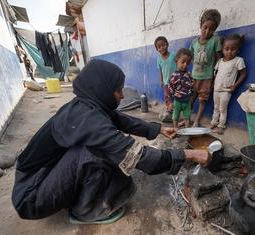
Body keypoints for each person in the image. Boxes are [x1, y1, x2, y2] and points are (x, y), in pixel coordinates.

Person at [11, 59, 211, 224]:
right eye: (118, 91)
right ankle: (84, 212)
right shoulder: (86, 118)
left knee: (99, 150)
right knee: (96, 152)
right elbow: (139, 157)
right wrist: (188, 154)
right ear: (102, 88)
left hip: (43, 176)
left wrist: (157, 129)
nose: (122, 95)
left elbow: (119, 119)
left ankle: (75, 195)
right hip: (30, 195)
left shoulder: (86, 105)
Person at [189, 9, 222, 127]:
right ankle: (187, 119)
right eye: (205, 27)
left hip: (207, 77)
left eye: (212, 29)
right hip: (194, 76)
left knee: (202, 100)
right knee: (190, 99)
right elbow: (189, 57)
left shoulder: (215, 40)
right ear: (200, 26)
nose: (207, 31)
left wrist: (216, 77)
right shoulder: (194, 43)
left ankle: (197, 121)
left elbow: (219, 60)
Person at [210, 34, 247, 134]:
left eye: (233, 49)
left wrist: (235, 85)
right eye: (226, 49)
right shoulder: (220, 61)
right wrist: (213, 83)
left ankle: (221, 126)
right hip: (216, 89)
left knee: (222, 108)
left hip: (226, 90)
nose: (229, 51)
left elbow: (243, 74)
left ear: (238, 50)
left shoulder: (238, 60)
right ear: (222, 49)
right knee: (216, 107)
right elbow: (216, 73)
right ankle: (213, 122)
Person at [169, 48, 193, 129]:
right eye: (183, 62)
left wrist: (191, 96)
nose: (185, 64)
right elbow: (171, 89)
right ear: (176, 60)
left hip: (187, 101)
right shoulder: (173, 76)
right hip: (177, 101)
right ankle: (175, 129)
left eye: (188, 63)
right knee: (175, 116)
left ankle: (187, 130)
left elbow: (192, 86)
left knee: (187, 116)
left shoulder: (189, 75)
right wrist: (171, 102)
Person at [155, 36, 177, 114]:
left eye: (163, 45)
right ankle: (169, 109)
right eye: (159, 47)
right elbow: (160, 71)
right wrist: (161, 80)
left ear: (167, 44)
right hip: (166, 82)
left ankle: (176, 109)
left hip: (176, 81)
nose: (161, 48)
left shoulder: (173, 56)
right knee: (167, 96)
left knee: (176, 95)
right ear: (157, 49)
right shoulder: (159, 59)